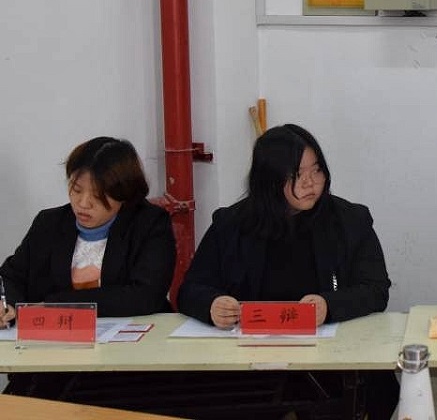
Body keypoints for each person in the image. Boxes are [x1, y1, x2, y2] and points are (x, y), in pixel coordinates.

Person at [177, 123, 398, 420]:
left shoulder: (349, 220)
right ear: (269, 181)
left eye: (316, 170)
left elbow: (375, 289)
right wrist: (212, 305)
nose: (310, 183)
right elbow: (190, 290)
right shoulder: (231, 224)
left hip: (330, 360)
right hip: (249, 362)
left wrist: (328, 306)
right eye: (296, 175)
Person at [0, 136, 176, 395]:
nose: (83, 203)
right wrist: (8, 304)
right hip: (53, 359)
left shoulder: (149, 225)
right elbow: (11, 276)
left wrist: (55, 305)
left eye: (97, 195)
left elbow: (145, 295)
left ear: (124, 195)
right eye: (76, 189)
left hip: (130, 362)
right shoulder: (49, 223)